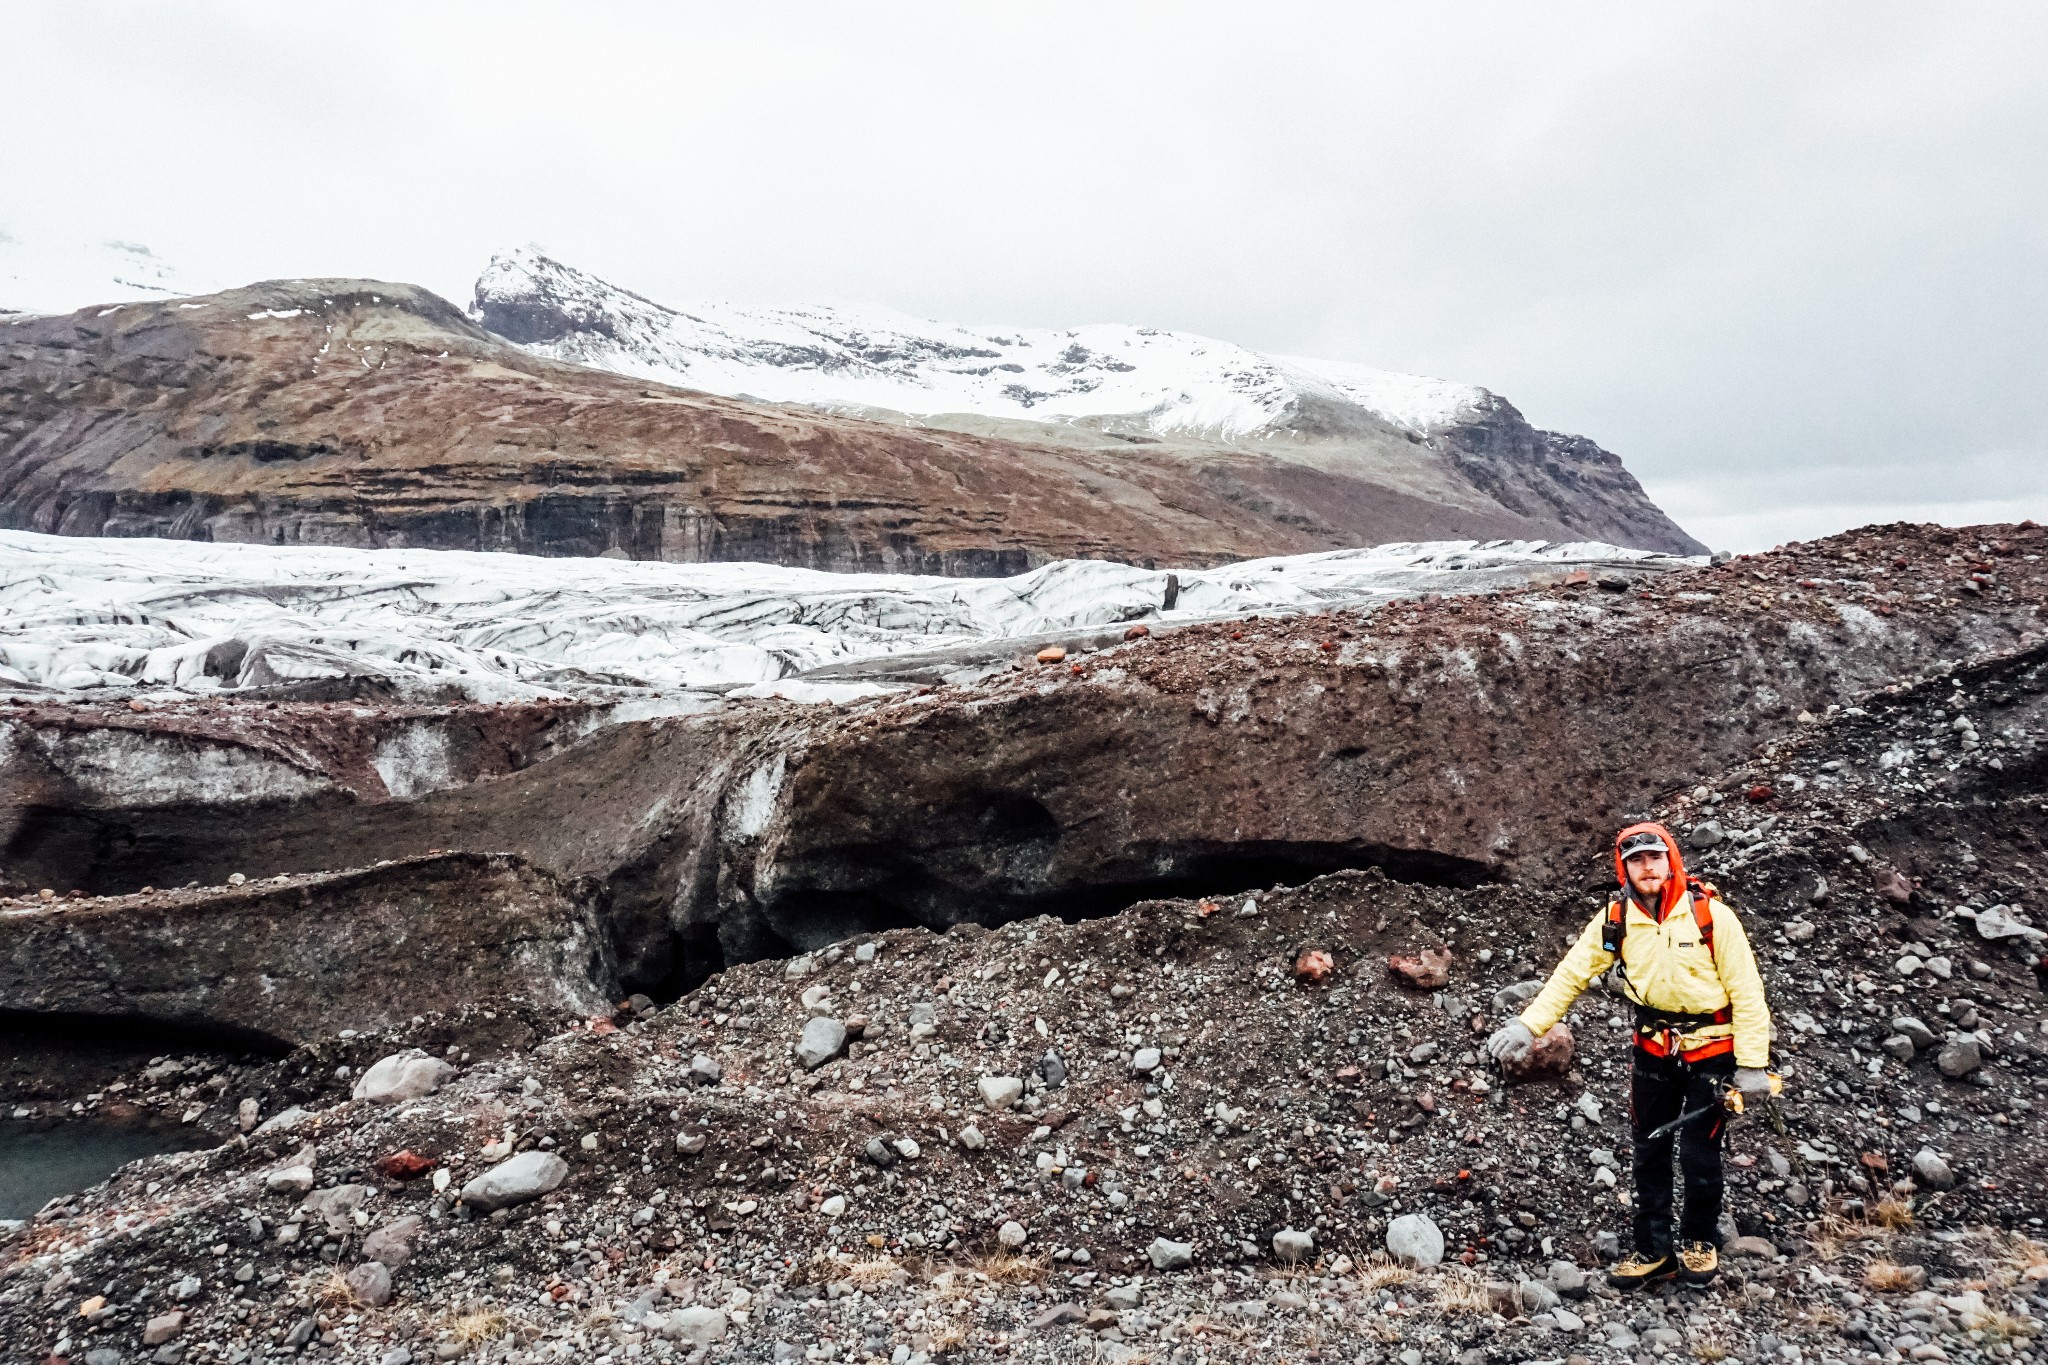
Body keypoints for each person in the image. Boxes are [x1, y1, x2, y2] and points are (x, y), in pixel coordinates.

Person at [1486, 822, 1774, 1289]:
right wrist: (1529, 1024)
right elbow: (1571, 974)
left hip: (1714, 1052)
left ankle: (1699, 1241)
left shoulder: (1712, 917)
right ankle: (1653, 1250)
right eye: (1636, 860)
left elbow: (1748, 993)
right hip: (1654, 1051)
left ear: (1671, 860)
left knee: (1702, 1153)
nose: (1647, 868)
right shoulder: (1615, 919)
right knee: (1649, 1148)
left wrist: (1753, 1066)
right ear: (1625, 867)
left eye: (1655, 858)